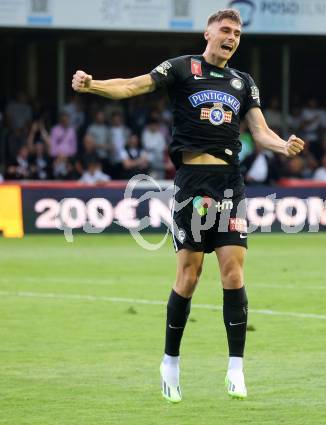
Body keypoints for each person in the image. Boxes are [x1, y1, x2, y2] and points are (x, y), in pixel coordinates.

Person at [72, 8, 304, 403]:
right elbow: (132, 86)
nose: (232, 37)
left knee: (233, 272)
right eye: (225, 30)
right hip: (192, 184)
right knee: (190, 276)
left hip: (229, 183)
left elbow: (260, 131)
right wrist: (93, 85)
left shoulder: (243, 82)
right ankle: (171, 362)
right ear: (208, 33)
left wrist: (284, 145)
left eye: (237, 33)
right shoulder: (182, 67)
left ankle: (236, 368)